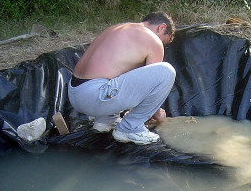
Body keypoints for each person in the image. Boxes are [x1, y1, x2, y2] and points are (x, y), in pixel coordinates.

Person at [67, 12, 176, 145]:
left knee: (122, 72)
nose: (161, 45)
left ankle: (106, 121)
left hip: (75, 93)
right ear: (161, 27)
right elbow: (151, 84)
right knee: (166, 71)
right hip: (96, 96)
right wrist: (157, 112)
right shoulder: (153, 40)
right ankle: (130, 128)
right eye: (163, 41)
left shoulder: (119, 28)